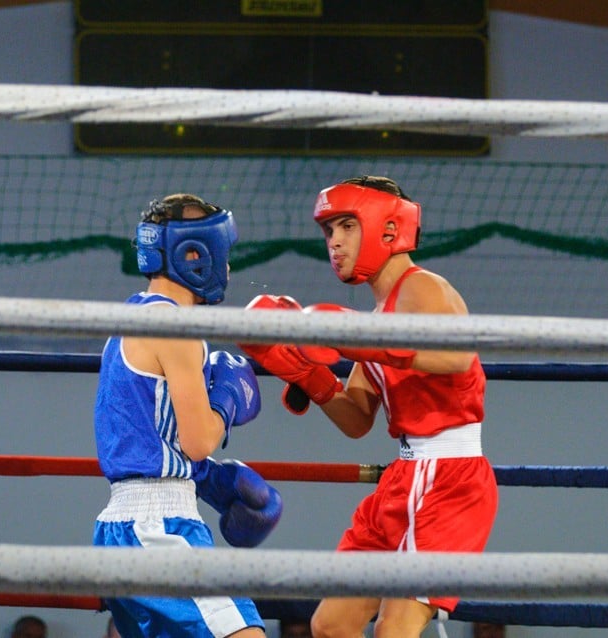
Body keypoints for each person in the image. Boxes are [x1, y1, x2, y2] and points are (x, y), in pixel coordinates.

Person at [240, 176, 497, 638]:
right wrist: (306, 374)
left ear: (385, 226)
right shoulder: (374, 321)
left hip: (449, 480)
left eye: (345, 226)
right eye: (328, 231)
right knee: (330, 625)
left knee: (394, 630)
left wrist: (365, 341)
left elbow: (458, 355)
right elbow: (357, 419)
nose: (333, 242)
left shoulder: (425, 289)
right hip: (402, 480)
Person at [92, 193, 283, 638]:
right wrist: (227, 400)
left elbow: (142, 434)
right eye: (223, 255)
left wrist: (205, 480)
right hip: (160, 530)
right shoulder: (177, 328)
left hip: (121, 526)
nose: (228, 268)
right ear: (193, 254)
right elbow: (199, 440)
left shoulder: (129, 317)